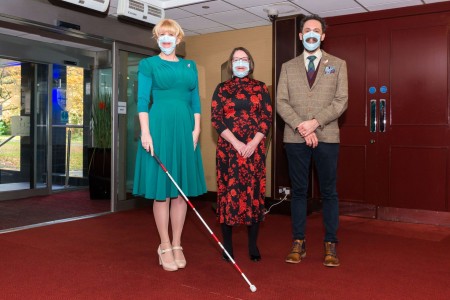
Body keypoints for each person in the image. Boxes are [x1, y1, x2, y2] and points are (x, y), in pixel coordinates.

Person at [133, 19, 206, 272]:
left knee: (180, 190)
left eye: (171, 34)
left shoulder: (190, 65)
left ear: (179, 38)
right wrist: (146, 132)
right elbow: (142, 101)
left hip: (185, 130)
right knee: (162, 191)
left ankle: (177, 243)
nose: (166, 38)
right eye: (161, 34)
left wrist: (196, 129)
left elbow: (195, 100)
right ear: (156, 38)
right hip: (160, 129)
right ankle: (163, 244)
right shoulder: (148, 64)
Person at [276, 14, 348, 267]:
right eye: (307, 30)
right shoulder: (288, 66)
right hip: (295, 137)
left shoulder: (338, 65)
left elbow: (341, 101)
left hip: (327, 136)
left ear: (323, 35)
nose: (311, 33)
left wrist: (315, 123)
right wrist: (301, 126)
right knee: (299, 192)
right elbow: (281, 102)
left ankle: (331, 244)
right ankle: (298, 242)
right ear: (300, 35)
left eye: (316, 30)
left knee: (329, 193)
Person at [211, 47, 272, 262]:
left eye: (244, 59)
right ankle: (227, 246)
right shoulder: (222, 89)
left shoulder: (261, 88)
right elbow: (216, 119)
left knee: (253, 195)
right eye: (236, 59)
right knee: (228, 195)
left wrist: (253, 143)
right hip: (228, 151)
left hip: (254, 151)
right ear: (230, 64)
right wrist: (237, 143)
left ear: (250, 63)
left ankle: (253, 245)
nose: (240, 63)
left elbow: (266, 118)